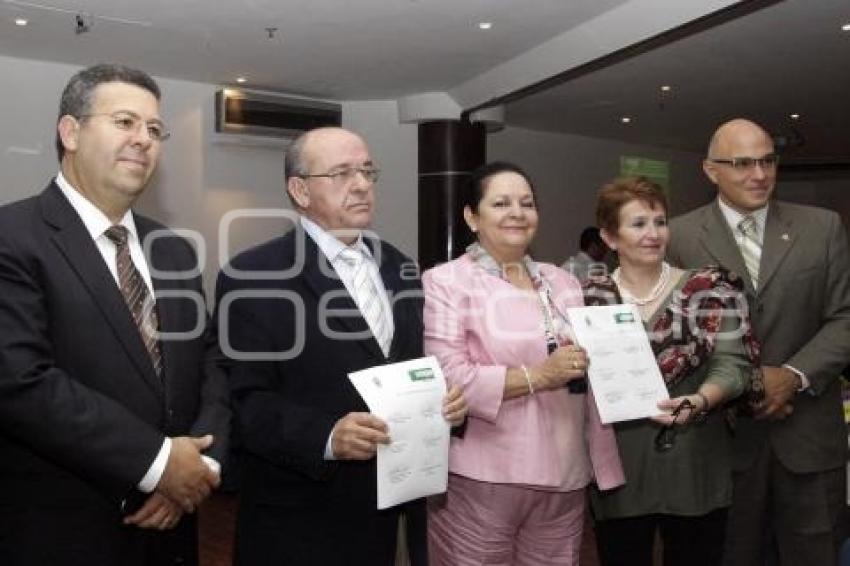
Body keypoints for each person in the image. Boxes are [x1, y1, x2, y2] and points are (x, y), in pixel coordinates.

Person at [0, 64, 230, 566]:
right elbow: (20, 381)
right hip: (63, 532)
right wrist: (159, 464)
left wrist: (198, 466)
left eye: (154, 129)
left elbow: (211, 363)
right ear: (71, 132)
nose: (143, 139)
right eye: (125, 122)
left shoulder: (173, 250)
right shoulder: (12, 237)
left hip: (174, 529)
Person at [214, 126, 467, 566]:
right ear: (300, 190)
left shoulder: (400, 267)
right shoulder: (254, 276)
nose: (362, 184)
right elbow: (245, 402)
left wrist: (444, 403)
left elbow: (408, 365)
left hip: (396, 510)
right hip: (304, 520)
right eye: (342, 173)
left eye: (368, 171)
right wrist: (327, 435)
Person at [666, 118, 850, 565]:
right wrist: (740, 387)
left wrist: (793, 376)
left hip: (808, 436)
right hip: (721, 443)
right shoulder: (678, 237)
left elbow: (844, 317)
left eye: (768, 161)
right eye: (743, 163)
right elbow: (672, 336)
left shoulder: (822, 227)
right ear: (710, 170)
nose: (760, 174)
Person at [423, 161, 624, 566]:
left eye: (527, 203)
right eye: (501, 203)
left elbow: (590, 369)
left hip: (565, 473)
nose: (517, 212)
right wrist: (541, 375)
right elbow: (449, 378)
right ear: (472, 217)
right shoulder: (446, 281)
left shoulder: (563, 281)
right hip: (484, 475)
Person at [585, 176, 758, 566]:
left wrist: (700, 400)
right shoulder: (587, 301)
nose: (653, 234)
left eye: (660, 222)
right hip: (621, 469)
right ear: (610, 237)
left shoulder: (710, 290)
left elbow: (734, 367)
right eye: (638, 224)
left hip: (695, 463)